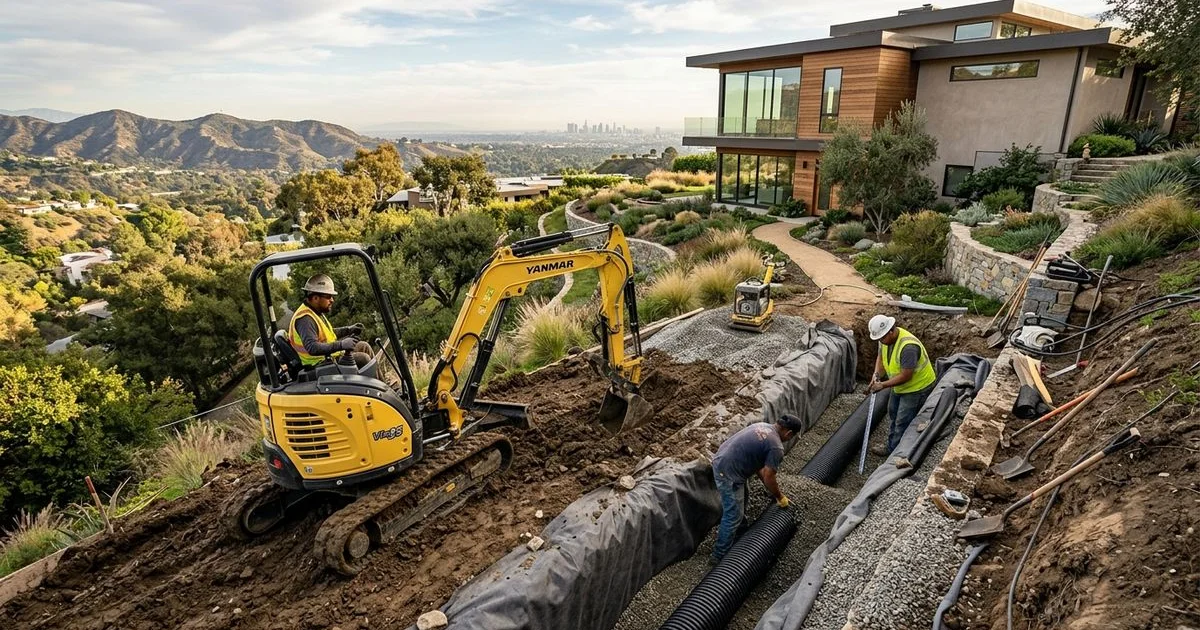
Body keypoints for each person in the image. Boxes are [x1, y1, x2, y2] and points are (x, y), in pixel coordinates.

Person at [710, 414, 804, 562]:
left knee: (742, 500)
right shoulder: (776, 447)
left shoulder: (762, 426)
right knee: (732, 515)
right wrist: (779, 496)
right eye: (791, 437)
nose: (789, 440)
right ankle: (719, 556)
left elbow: (760, 469)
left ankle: (741, 535)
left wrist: (769, 488)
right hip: (728, 472)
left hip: (725, 460)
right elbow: (769, 476)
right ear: (789, 433)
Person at [867, 314, 936, 455]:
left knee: (904, 421)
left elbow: (906, 376)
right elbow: (881, 357)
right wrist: (876, 375)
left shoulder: (908, 347)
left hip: (917, 387)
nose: (880, 341)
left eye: (882, 338)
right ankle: (893, 444)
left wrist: (883, 385)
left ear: (891, 331)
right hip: (899, 386)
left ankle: (898, 454)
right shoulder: (884, 339)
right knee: (893, 412)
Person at [288, 274, 373, 369]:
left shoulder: (315, 312)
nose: (332, 300)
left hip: (329, 356)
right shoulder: (305, 319)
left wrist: (349, 330)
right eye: (328, 296)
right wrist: (341, 345)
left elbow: (328, 333)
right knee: (363, 359)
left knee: (364, 346)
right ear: (316, 298)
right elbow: (312, 347)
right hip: (320, 364)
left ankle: (382, 382)